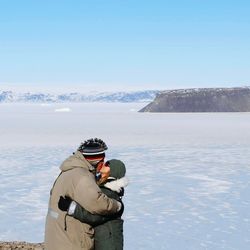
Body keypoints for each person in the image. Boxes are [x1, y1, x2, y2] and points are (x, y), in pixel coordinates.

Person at [44, 138, 122, 250]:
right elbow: (99, 204)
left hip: (57, 236)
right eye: (102, 161)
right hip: (71, 240)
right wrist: (118, 206)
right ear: (97, 161)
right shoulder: (82, 177)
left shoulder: (68, 170)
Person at [58, 159, 128, 250]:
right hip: (102, 240)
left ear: (113, 171)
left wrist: (71, 207)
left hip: (109, 243)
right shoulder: (101, 187)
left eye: (107, 165)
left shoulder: (110, 194)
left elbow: (94, 217)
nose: (103, 166)